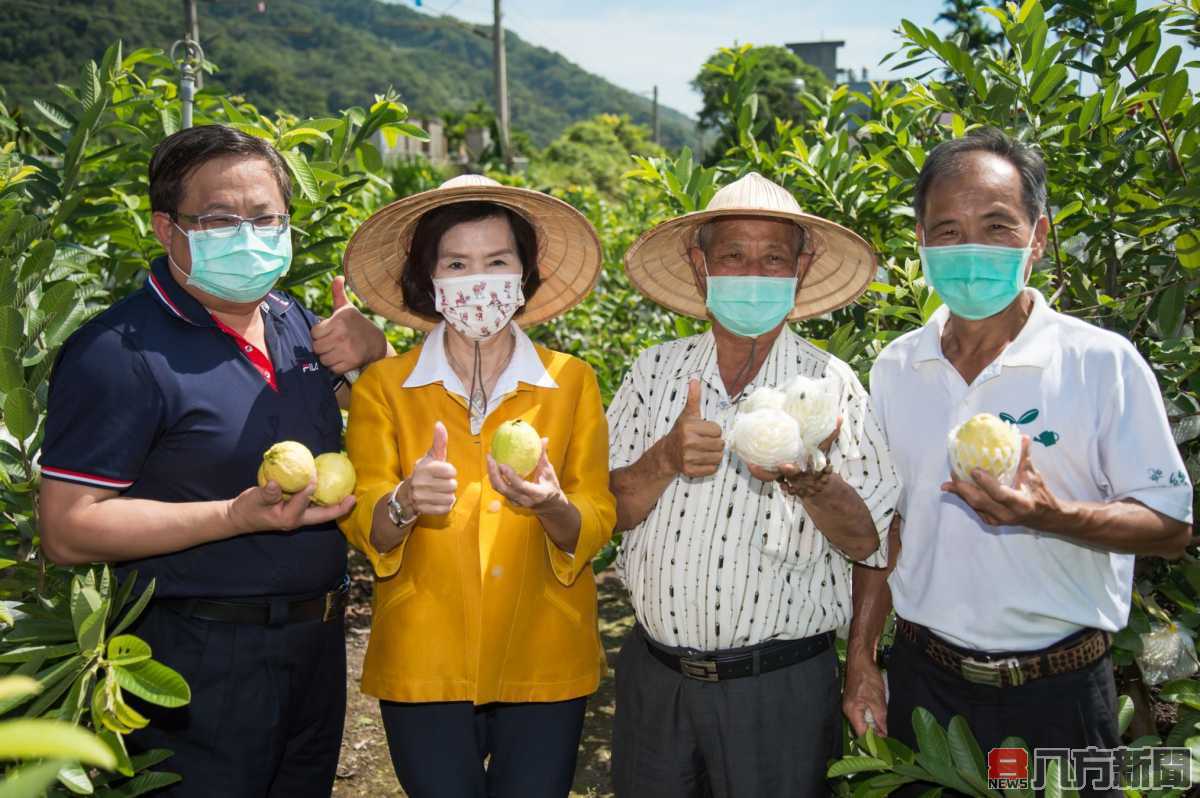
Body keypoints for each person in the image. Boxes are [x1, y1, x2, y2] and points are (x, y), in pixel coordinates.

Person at [37, 124, 392, 797]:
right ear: (167, 229)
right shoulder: (118, 352)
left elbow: (379, 418)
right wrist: (234, 516)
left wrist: (374, 355)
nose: (249, 236)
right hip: (199, 656)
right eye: (221, 219)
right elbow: (67, 529)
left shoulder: (294, 322)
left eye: (267, 218)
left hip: (317, 643)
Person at [843, 128, 1194, 796]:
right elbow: (887, 529)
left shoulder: (1099, 361)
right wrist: (862, 661)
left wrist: (1055, 516)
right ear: (920, 242)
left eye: (996, 226)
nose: (969, 248)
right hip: (926, 684)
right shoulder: (896, 367)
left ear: (1037, 238)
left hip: (1058, 696)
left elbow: (1171, 527)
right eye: (946, 230)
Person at [606, 172, 901, 797]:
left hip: (781, 689)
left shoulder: (832, 387)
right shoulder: (654, 373)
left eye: (773, 259)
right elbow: (608, 511)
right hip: (656, 679)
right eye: (733, 255)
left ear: (802, 265)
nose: (752, 273)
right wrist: (663, 458)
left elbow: (871, 541)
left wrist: (812, 477)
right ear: (699, 264)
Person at [338, 174, 616, 798]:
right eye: (457, 263)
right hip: (422, 654)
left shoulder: (571, 382)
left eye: (496, 261)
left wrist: (553, 507)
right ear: (429, 280)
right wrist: (404, 504)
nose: (477, 280)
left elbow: (595, 513)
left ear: (523, 275)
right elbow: (364, 522)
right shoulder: (384, 386)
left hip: (545, 650)